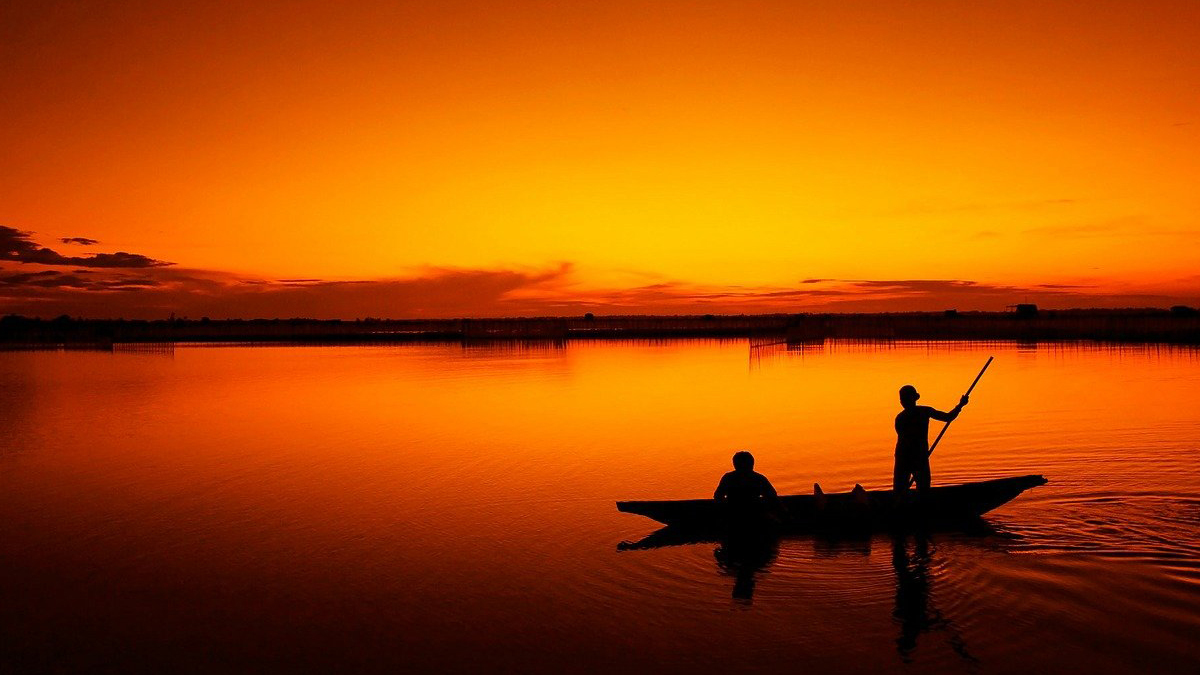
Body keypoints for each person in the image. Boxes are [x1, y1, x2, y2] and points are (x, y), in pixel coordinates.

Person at [894, 385, 968, 494]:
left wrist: (960, 405)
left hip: (907, 456)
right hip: (915, 457)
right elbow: (948, 417)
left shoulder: (902, 417)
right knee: (920, 490)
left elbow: (947, 418)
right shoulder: (923, 412)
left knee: (902, 491)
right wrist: (960, 405)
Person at [714, 451, 780, 519]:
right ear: (752, 463)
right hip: (755, 515)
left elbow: (718, 496)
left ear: (735, 464)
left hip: (733, 515)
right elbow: (772, 496)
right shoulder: (758, 478)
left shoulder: (728, 478)